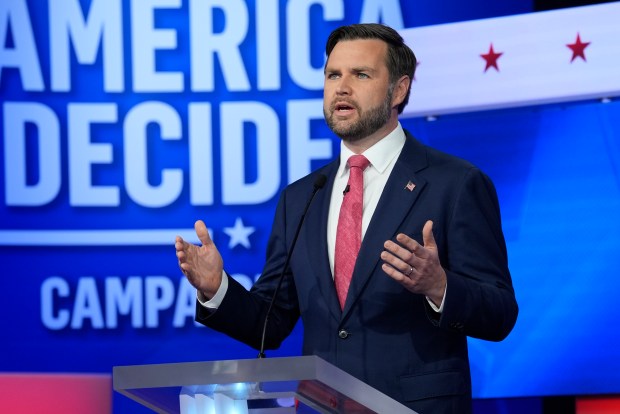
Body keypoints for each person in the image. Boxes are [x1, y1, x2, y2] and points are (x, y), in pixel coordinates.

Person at [176, 23, 518, 414]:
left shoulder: (454, 183)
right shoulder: (302, 197)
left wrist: (440, 286)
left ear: (399, 90)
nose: (341, 87)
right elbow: (269, 324)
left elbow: (500, 313)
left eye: (361, 74)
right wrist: (217, 288)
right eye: (332, 75)